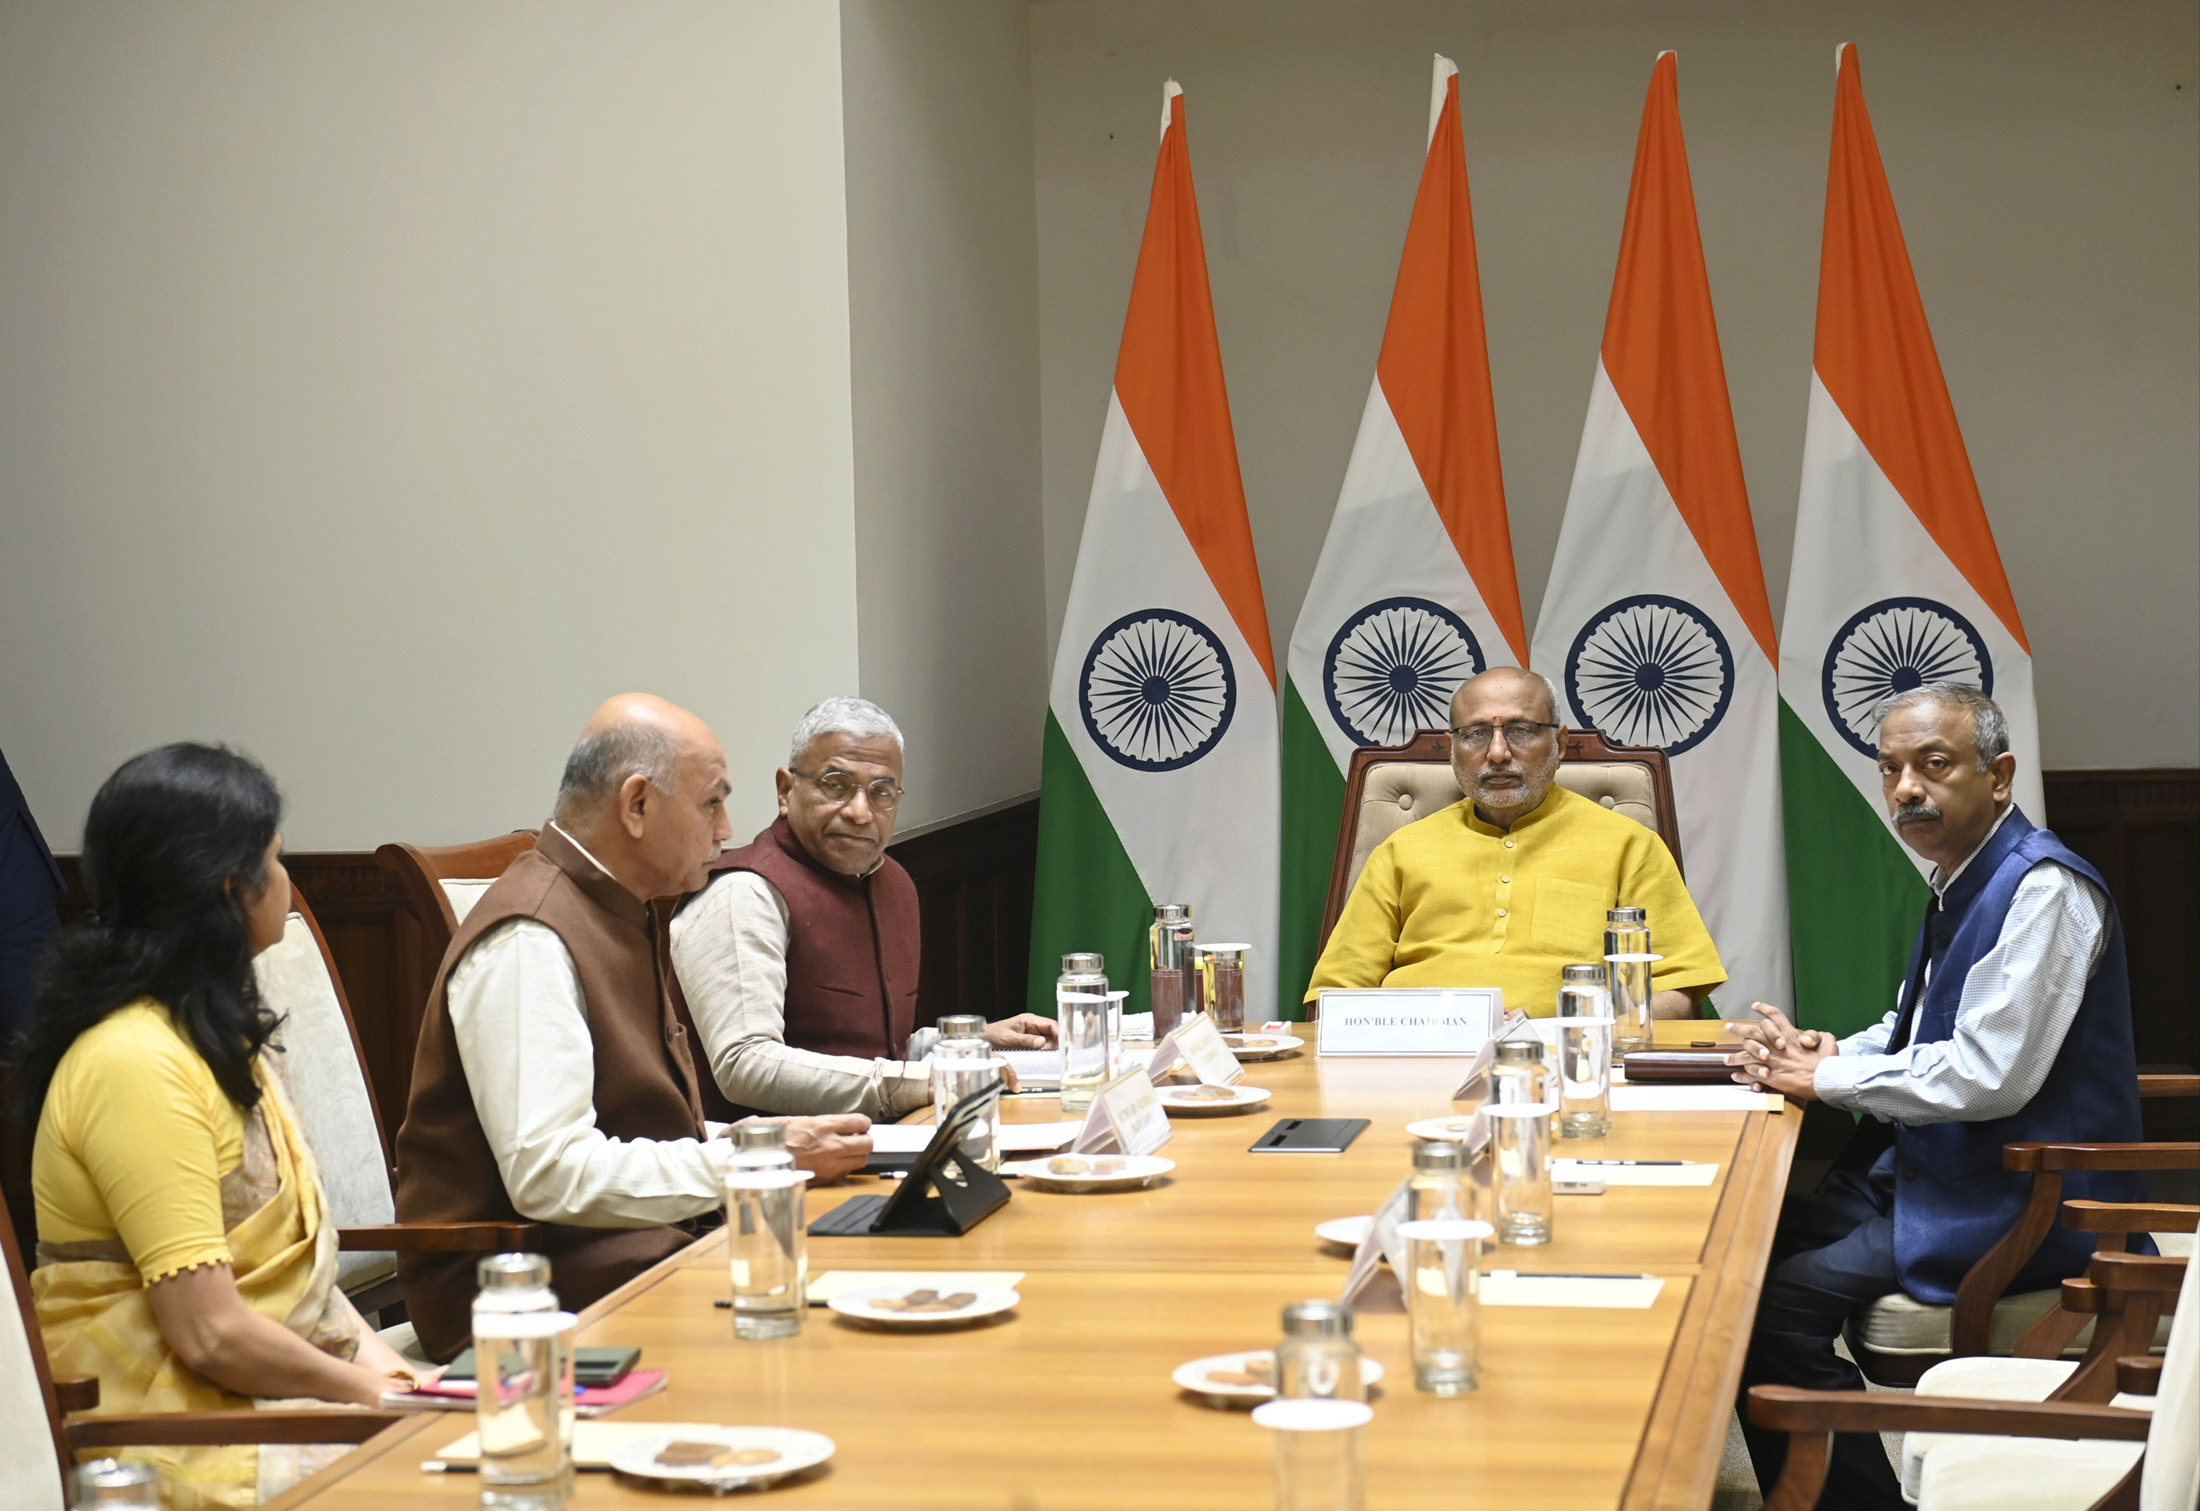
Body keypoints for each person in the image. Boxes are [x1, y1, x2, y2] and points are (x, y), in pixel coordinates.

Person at [1729, 684, 2145, 1510]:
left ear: (1999, 776)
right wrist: (1833, 1049)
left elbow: (1988, 1073)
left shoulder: (2044, 889)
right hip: (1938, 1172)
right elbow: (1925, 1027)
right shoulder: (1963, 875)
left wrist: (1826, 1080)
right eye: (1890, 769)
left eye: (1933, 764)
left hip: (2022, 1198)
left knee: (1771, 1308)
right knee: (1735, 1254)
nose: (1905, 788)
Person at [393, 694, 871, 1361]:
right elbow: (550, 1172)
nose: (727, 827)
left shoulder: (621, 906)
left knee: (847, 1274)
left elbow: (636, 1123)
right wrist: (754, 1159)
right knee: (816, 1324)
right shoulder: (530, 936)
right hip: (516, 1291)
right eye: (712, 803)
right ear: (637, 805)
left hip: (614, 1249)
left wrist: (782, 1140)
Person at [19, 745, 420, 1509]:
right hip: (165, 1432)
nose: (290, 881)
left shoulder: (216, 1036)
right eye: (279, 858)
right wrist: (368, 1395)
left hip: (254, 1399)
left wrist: (397, 1376)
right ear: (235, 889)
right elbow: (208, 1334)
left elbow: (302, 1285)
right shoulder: (133, 1060)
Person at [671, 697, 1057, 1119]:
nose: (859, 812)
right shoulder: (744, 894)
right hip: (771, 1166)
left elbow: (877, 1047)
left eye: (881, 793)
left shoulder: (892, 882)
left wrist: (971, 1042)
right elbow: (745, 1064)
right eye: (835, 785)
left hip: (879, 1144)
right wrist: (925, 1081)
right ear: (786, 790)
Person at [1305, 666, 1724, 1016]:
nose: (1499, 752)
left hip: (1570, 1061)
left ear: (1559, 744)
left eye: (1522, 731)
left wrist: (1574, 1027)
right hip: (1416, 1061)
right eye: (1475, 734)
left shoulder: (1629, 845)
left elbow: (1677, 991)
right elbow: (1334, 994)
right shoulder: (1401, 850)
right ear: (1453, 748)